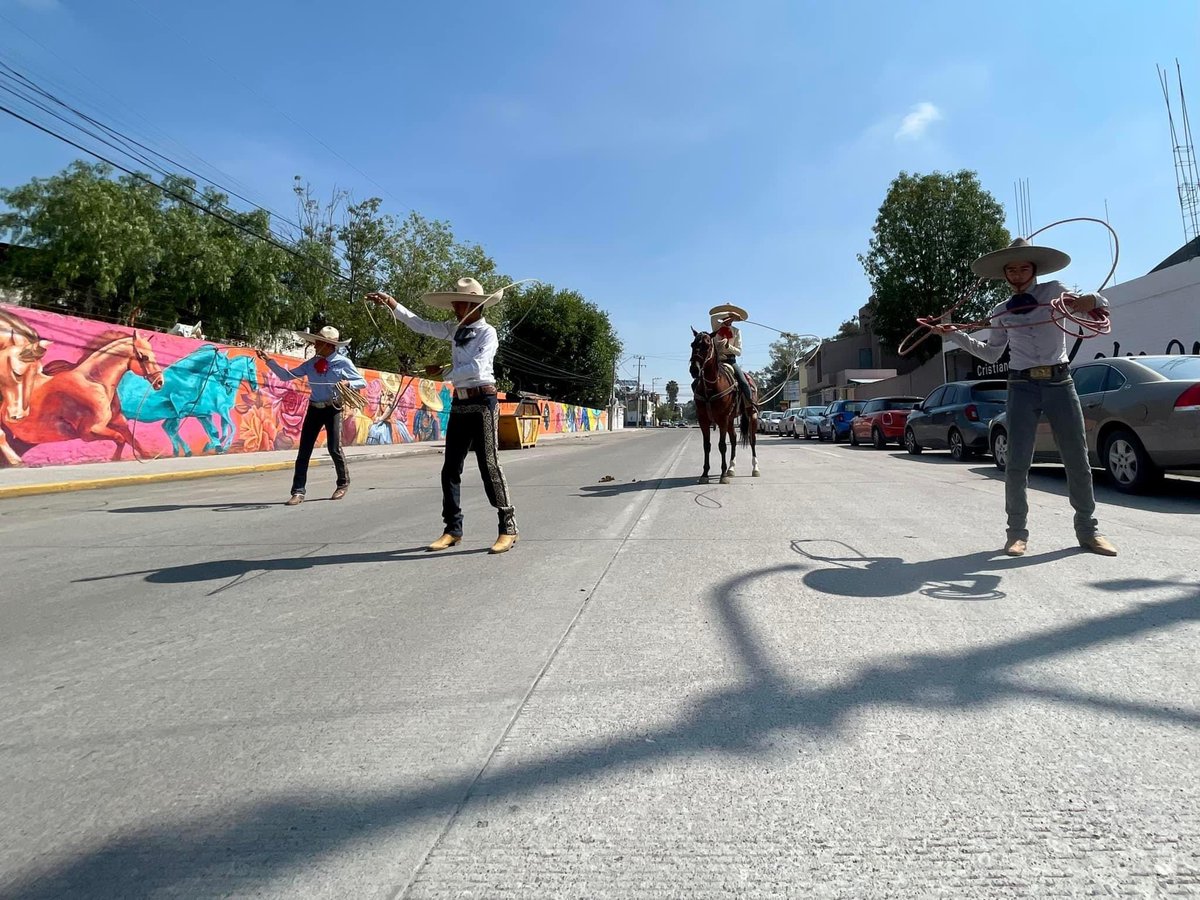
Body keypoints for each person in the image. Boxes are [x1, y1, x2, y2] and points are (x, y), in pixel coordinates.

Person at [931, 237, 1117, 557]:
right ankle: (1016, 533)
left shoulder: (1056, 291)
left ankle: (1088, 530)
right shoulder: (1001, 310)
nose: (1017, 274)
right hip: (1020, 386)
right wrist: (954, 335)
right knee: (1016, 462)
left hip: (1060, 381)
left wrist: (1092, 299)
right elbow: (991, 354)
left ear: (1034, 269)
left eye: (1023, 268)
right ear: (1005, 273)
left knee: (1077, 458)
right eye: (1011, 269)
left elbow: (1099, 307)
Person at [367, 278, 518, 554]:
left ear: (473, 306)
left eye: (459, 302)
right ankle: (453, 529)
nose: (454, 307)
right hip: (460, 403)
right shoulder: (454, 330)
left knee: (489, 465)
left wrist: (444, 373)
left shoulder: (487, 333)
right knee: (450, 467)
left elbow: (477, 367)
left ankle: (507, 527)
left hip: (483, 401)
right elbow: (420, 324)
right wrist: (392, 304)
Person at [256, 325, 366, 506]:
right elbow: (286, 376)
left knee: (334, 448)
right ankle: (298, 491)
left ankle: (343, 483)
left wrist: (347, 383)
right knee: (304, 450)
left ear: (329, 345)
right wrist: (269, 361)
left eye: (318, 343)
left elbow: (362, 382)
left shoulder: (343, 363)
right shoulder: (311, 364)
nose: (314, 346)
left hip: (333, 408)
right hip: (314, 408)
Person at [709, 303, 756, 408]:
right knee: (700, 378)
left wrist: (728, 346)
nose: (729, 319)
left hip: (731, 361)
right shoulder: (716, 326)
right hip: (716, 361)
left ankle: (750, 405)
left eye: (731, 318)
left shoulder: (736, 331)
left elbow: (739, 352)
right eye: (727, 317)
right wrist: (731, 313)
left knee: (743, 381)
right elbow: (713, 317)